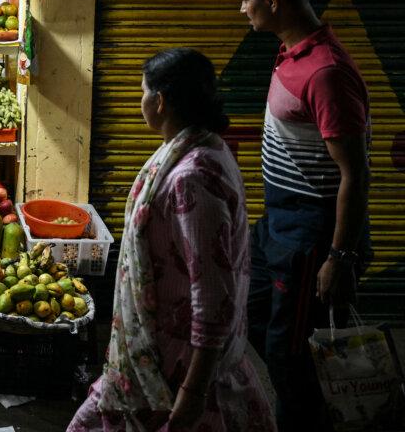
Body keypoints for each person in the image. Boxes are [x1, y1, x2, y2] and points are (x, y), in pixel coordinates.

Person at [69, 48, 275, 432]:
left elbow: (213, 296)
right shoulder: (205, 148)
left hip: (174, 365)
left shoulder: (191, 178)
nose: (140, 101)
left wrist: (192, 391)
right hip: (165, 354)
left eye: (143, 92)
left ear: (160, 101)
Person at [236, 0, 371, 432]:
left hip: (310, 236)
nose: (242, 10)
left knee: (289, 354)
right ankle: (309, 401)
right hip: (278, 223)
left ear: (271, 2)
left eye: (246, 1)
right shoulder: (292, 49)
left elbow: (354, 174)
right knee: (245, 310)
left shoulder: (326, 72)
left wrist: (339, 256)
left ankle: (305, 418)